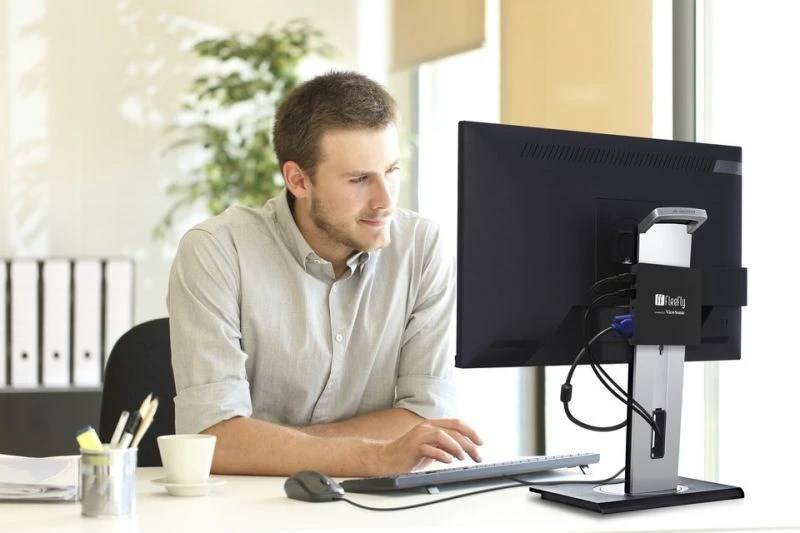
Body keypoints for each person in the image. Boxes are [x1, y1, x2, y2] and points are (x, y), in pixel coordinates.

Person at [167, 71, 482, 476]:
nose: (384, 200)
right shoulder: (216, 250)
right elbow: (212, 441)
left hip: (378, 503)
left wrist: (267, 444)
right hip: (246, 503)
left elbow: (426, 419)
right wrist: (374, 455)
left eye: (391, 170)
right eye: (359, 179)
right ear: (298, 180)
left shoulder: (421, 248)